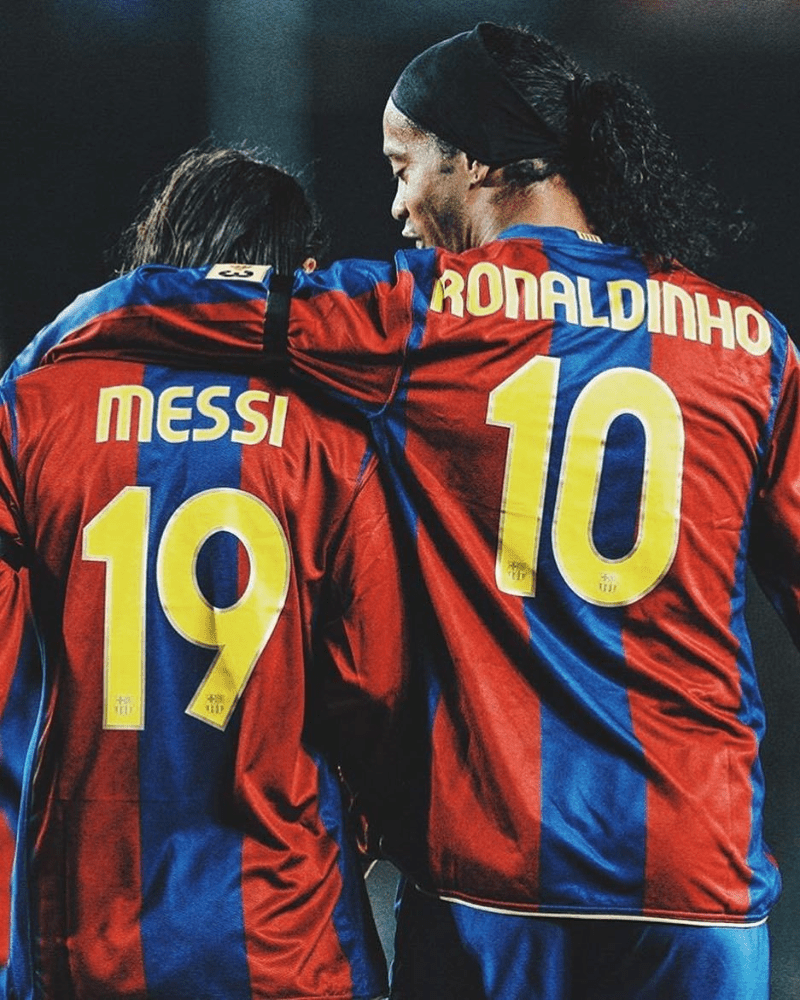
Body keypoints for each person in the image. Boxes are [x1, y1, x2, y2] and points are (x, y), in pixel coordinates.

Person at [10, 23, 796, 1000]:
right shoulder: (753, 343)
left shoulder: (428, 314)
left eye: (402, 166)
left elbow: (227, 305)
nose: (395, 205)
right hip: (700, 878)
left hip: (493, 881)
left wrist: (73, 329)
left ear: (473, 162)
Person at [0, 146, 406, 1000]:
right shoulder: (336, 437)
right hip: (287, 935)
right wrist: (364, 831)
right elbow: (382, 696)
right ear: (297, 275)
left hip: (82, 937)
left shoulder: (34, 408)